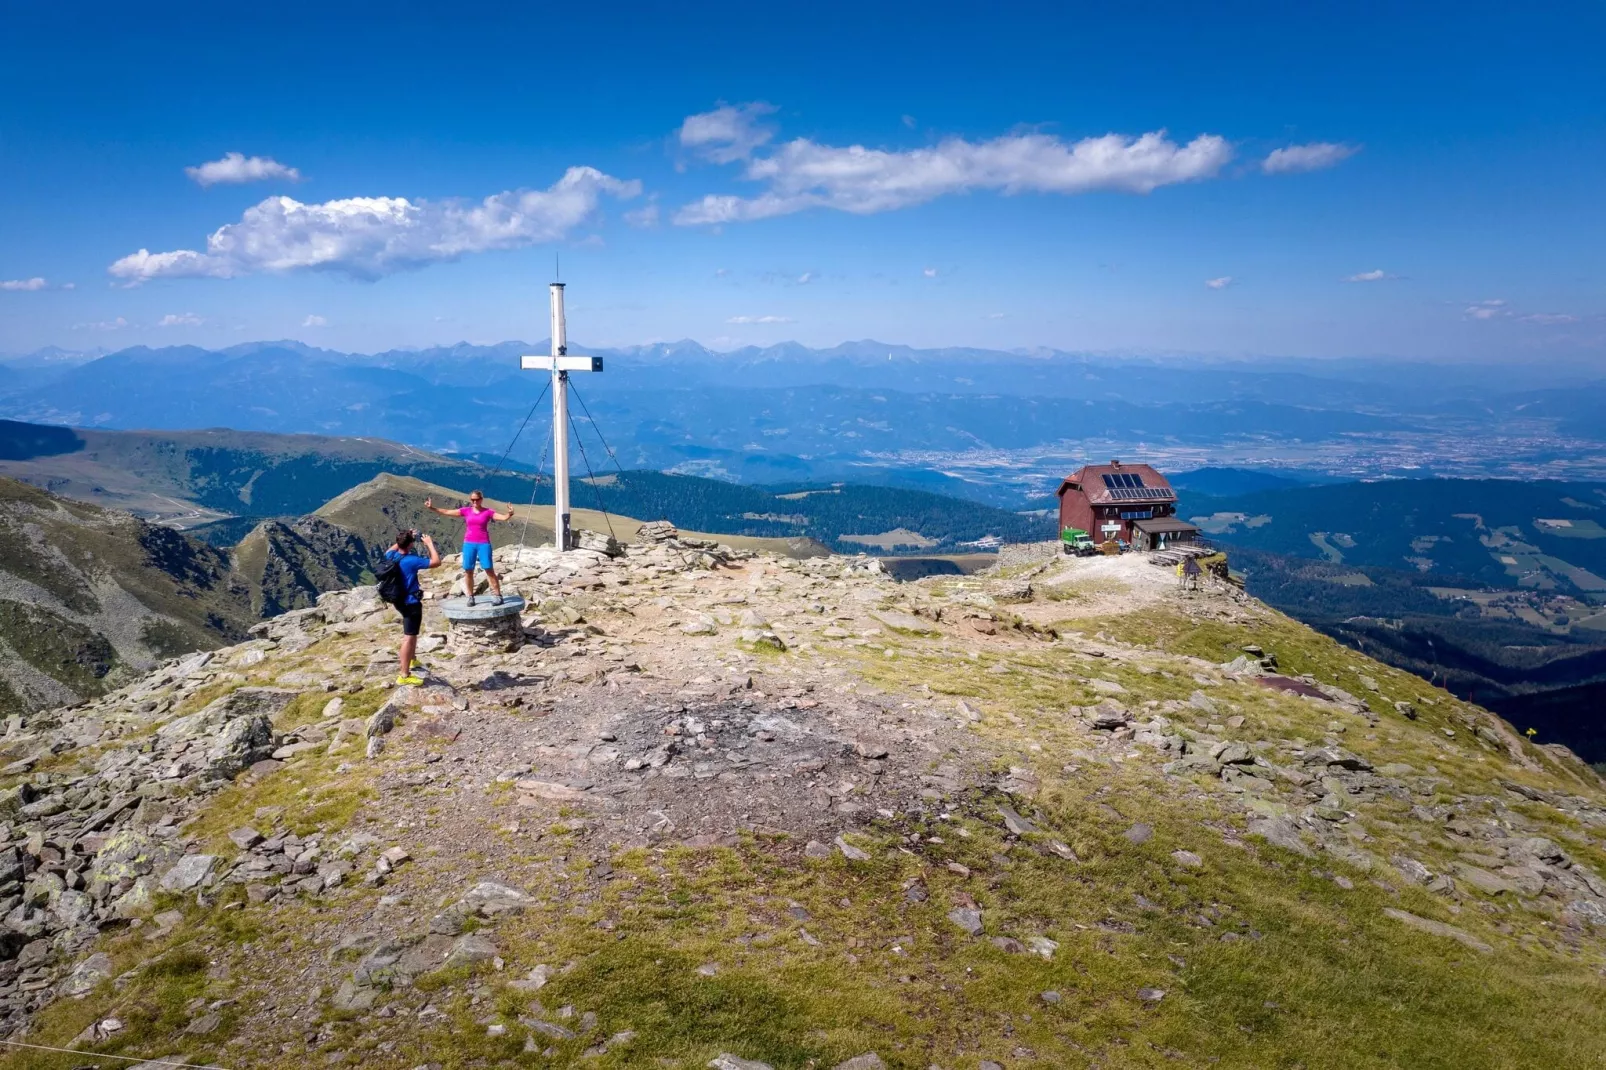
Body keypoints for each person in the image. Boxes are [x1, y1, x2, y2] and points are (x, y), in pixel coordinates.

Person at [424, 490, 515, 606]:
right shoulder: (466, 511)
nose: (474, 502)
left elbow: (503, 518)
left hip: (483, 544)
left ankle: (497, 595)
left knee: (489, 569)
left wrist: (510, 514)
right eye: (472, 500)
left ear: (481, 500)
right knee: (468, 571)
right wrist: (432, 508)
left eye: (477, 499)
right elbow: (447, 512)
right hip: (469, 544)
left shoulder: (488, 512)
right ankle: (470, 597)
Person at [384, 529, 440, 686]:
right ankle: (404, 674)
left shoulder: (391, 556)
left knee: (413, 633)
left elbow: (390, 549)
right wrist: (429, 544)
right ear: (410, 544)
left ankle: (413, 660)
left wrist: (404, 538)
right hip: (411, 602)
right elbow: (436, 562)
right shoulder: (411, 560)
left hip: (399, 600)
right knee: (409, 636)